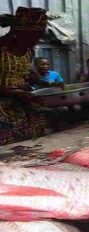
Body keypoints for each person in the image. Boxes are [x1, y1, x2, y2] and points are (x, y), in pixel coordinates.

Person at [0, 7, 50, 145]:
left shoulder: (28, 51)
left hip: (23, 101)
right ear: (19, 32)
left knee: (33, 145)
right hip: (3, 106)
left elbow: (25, 74)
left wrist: (45, 84)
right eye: (34, 37)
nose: (37, 40)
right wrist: (14, 91)